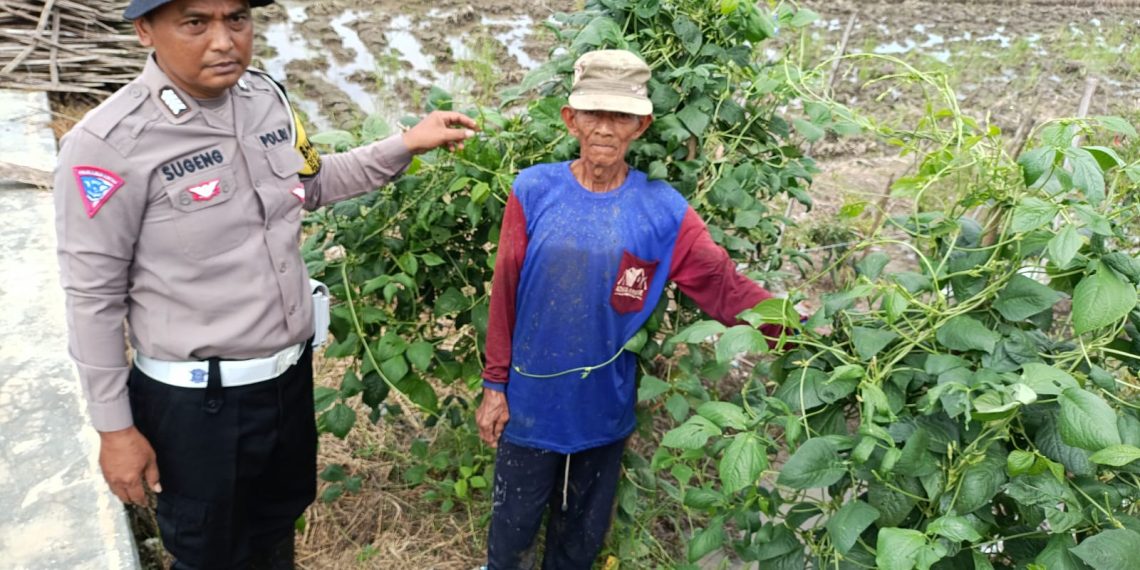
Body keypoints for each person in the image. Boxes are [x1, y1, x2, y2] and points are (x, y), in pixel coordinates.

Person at [52, 0, 477, 568]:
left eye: (237, 18)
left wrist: (405, 144)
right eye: (195, 22)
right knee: (210, 553)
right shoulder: (108, 145)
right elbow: (93, 298)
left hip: (286, 383)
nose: (224, 40)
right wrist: (114, 429)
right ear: (144, 30)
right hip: (198, 406)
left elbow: (312, 184)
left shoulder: (265, 99)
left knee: (277, 528)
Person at [475, 49, 785, 569]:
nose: (604, 128)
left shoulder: (663, 211)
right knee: (512, 536)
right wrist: (494, 385)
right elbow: (504, 291)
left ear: (640, 126)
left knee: (580, 542)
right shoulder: (533, 191)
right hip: (530, 404)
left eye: (620, 116)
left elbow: (723, 286)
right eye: (592, 113)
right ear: (570, 119)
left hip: (604, 407)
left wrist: (798, 333)